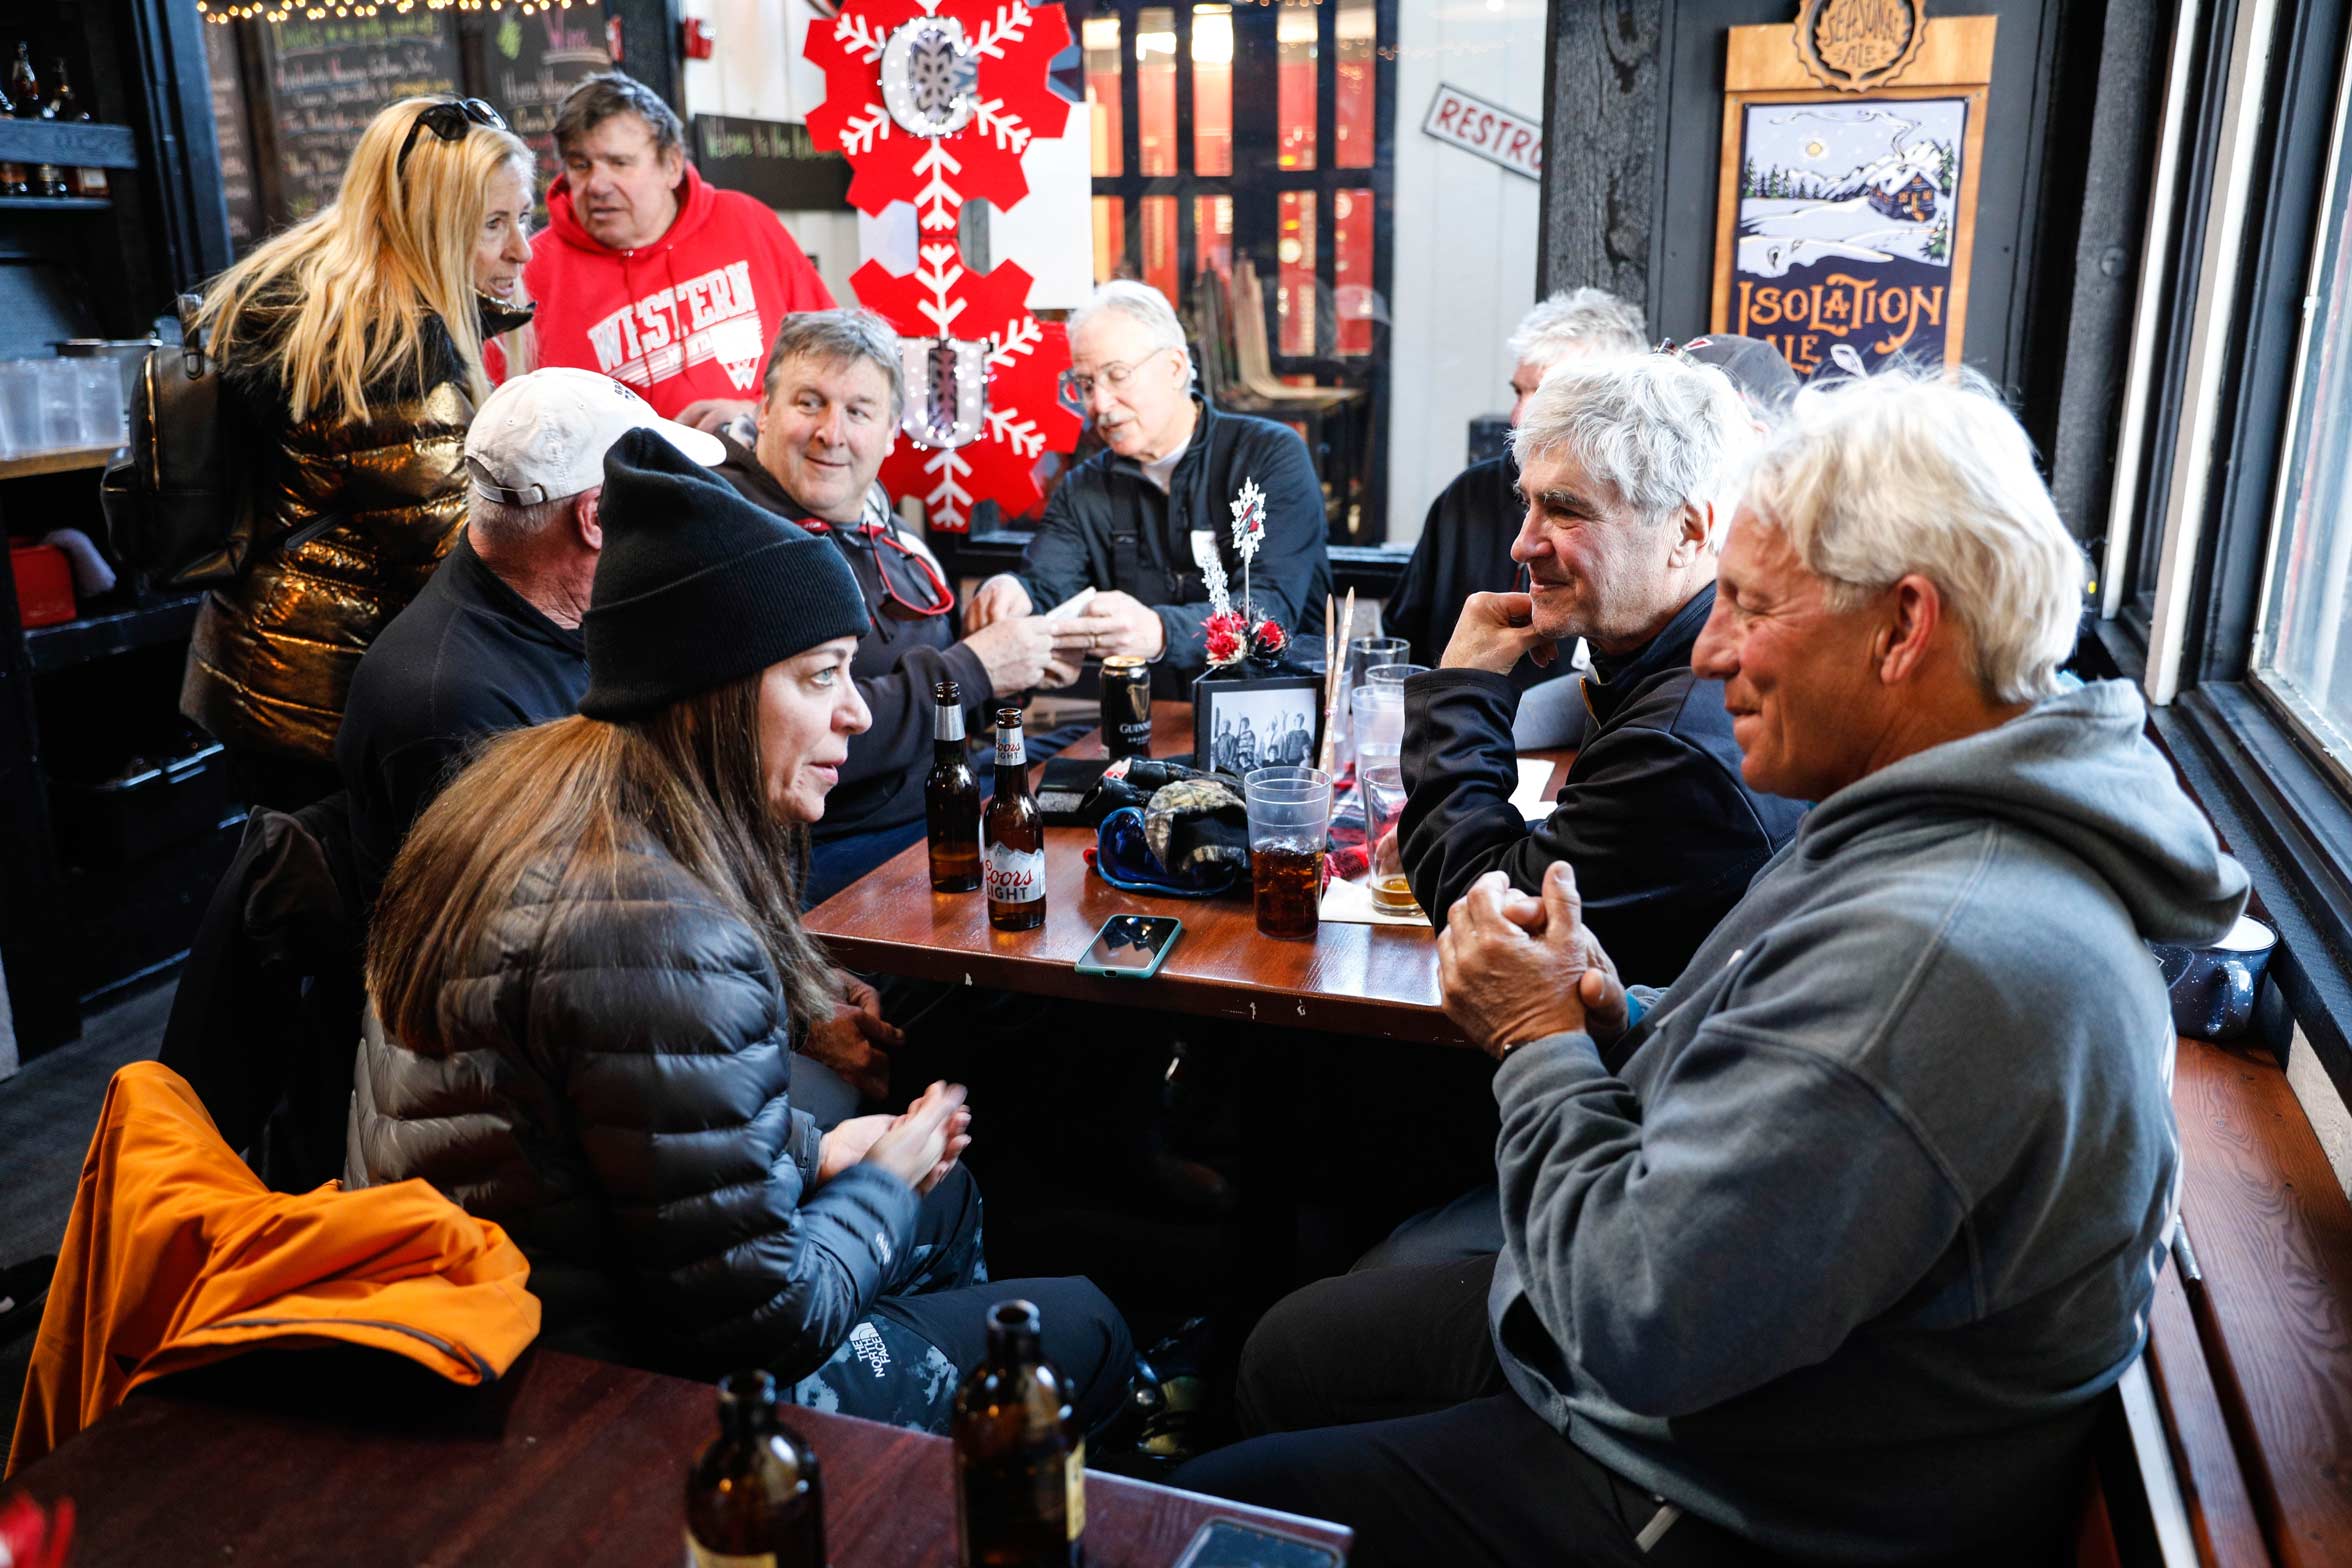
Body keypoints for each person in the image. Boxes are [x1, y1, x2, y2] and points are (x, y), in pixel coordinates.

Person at [1176, 370, 2250, 1567]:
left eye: (1749, 602)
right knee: (1290, 1353)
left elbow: (1637, 1316)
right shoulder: (1932, 825)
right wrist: (1616, 1009)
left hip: (1729, 1489)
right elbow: (1785, 1076)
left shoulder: (1938, 943)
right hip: (1728, 1384)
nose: (1710, 651)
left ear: (1905, 625)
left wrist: (1540, 1042)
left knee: (1194, 1519)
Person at [347, 429, 1135, 1431]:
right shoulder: (653, 927)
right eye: (821, 676)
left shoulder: (533, 788)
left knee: (949, 1191)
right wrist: (882, 1181)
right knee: (1085, 1322)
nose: (855, 712)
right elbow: (762, 1319)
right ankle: (901, 1479)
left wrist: (818, 1151)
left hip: (508, 1304)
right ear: (715, 690)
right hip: (593, 1397)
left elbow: (636, 1125)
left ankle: (909, 1456)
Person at [1399, 352, 1807, 982]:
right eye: (1527, 504)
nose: (1523, 544)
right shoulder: (1682, 656)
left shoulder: (1678, 745)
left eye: (1564, 510)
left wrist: (1462, 688)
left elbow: (1486, 923)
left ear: (1687, 530)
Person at [181, 96, 537, 810]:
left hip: (281, 675)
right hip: (316, 700)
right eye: (492, 225)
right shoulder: (385, 354)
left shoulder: (346, 301)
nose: (521, 249)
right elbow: (464, 556)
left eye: (523, 216)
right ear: (426, 226)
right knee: (354, 911)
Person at [714, 310, 1085, 904]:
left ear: (891, 433)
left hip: (947, 788)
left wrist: (1012, 670)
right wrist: (973, 669)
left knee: (1102, 772)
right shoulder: (739, 535)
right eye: (808, 402)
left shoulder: (875, 515)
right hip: (841, 842)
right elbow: (802, 742)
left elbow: (944, 694)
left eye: (858, 411)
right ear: (764, 412)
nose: (831, 434)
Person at [338, 367, 722, 903]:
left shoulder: (565, 602)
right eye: (660, 490)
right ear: (595, 519)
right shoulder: (450, 703)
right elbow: (538, 927)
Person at [964, 281, 1331, 690]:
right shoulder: (1085, 486)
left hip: (1270, 717)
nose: (1098, 404)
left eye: (1117, 376)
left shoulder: (1266, 456)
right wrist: (1012, 593)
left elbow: (1270, 607)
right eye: (1085, 385)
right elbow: (1047, 586)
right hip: (1139, 718)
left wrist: (1160, 632)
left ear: (1174, 367)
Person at [522, 72, 834, 430]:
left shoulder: (746, 221)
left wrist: (758, 414)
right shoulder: (531, 270)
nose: (597, 185)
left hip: (762, 473)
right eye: (581, 165)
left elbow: (833, 362)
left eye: (619, 163)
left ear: (671, 165)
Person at [1382, 288, 1647, 686]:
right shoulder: (1467, 496)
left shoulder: (1644, 514)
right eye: (1519, 391)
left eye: (1546, 395)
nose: (1520, 415)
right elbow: (1405, 647)